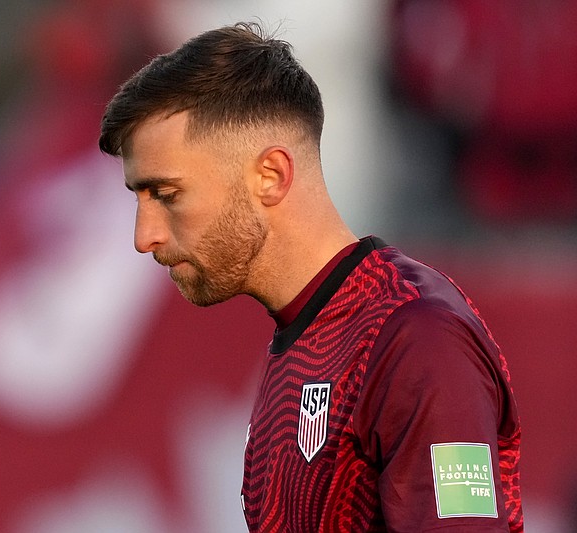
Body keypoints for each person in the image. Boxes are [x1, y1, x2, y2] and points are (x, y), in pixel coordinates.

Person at [98, 22, 522, 532]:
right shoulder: (301, 340)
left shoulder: (414, 337)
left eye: (166, 195)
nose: (144, 237)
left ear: (271, 175)